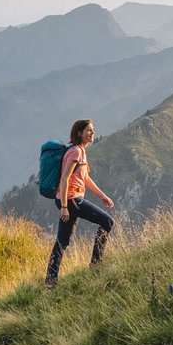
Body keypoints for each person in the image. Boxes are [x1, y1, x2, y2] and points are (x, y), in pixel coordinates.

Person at [48, 118, 115, 288]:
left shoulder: (80, 151)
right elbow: (64, 179)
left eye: (93, 130)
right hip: (71, 200)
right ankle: (96, 265)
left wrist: (103, 196)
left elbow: (84, 178)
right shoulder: (76, 152)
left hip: (70, 200)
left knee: (62, 242)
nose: (92, 133)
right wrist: (64, 206)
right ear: (79, 133)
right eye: (88, 130)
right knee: (107, 221)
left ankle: (50, 281)